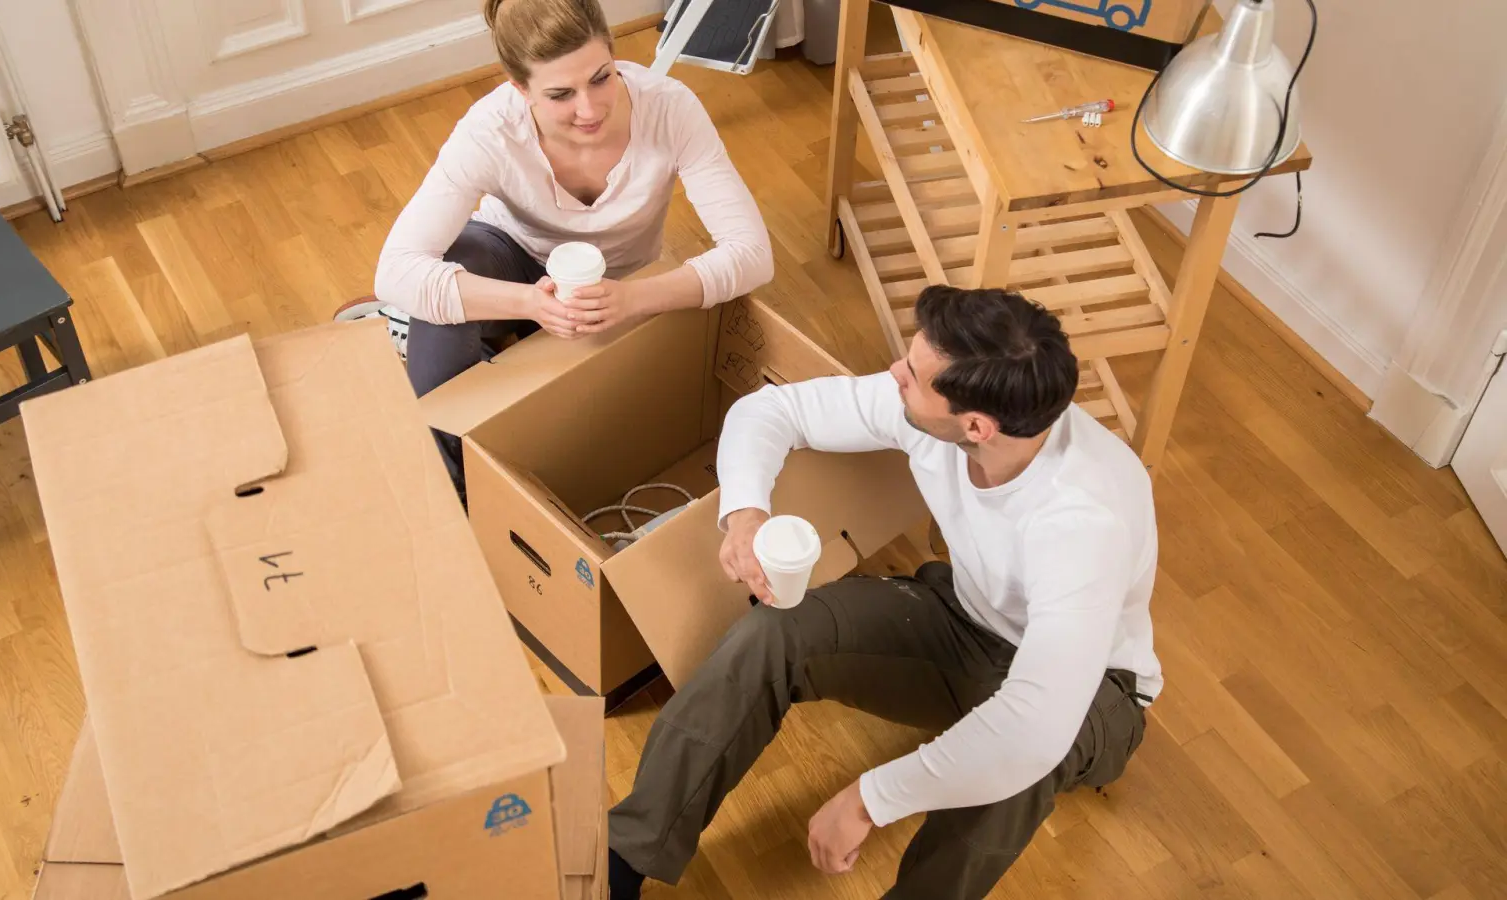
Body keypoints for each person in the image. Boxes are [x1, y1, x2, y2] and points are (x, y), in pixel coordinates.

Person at [607, 286, 1161, 899]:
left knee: (1017, 773)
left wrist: (870, 800)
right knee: (778, 629)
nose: (895, 373)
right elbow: (768, 412)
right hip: (964, 621)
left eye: (915, 376)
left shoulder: (1086, 519)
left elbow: (1034, 729)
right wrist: (744, 514)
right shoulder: (936, 413)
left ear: (975, 426)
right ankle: (626, 855)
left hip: (1094, 692)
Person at [340, 0, 773, 499]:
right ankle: (457, 492)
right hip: (513, 266)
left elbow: (751, 253)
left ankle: (437, 334)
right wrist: (529, 303)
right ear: (519, 88)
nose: (589, 110)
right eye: (561, 94)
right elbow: (394, 269)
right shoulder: (490, 130)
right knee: (454, 262)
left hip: (615, 292)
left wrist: (633, 298)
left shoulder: (669, 108)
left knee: (601, 417)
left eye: (601, 78)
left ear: (614, 54)